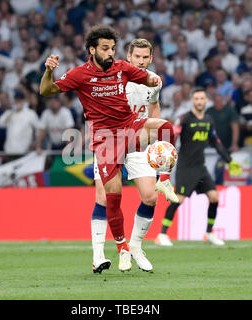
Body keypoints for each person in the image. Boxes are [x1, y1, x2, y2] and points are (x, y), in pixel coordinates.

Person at [39, 25, 175, 273]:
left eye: (113, 48)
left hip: (132, 132)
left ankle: (136, 244)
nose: (111, 53)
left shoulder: (123, 69)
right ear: (92, 50)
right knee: (108, 198)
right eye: (105, 48)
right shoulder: (80, 74)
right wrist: (48, 71)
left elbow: (149, 84)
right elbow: (46, 90)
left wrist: (153, 79)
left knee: (152, 188)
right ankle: (109, 251)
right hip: (105, 140)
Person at [91, 38, 178, 274]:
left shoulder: (153, 81)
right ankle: (98, 255)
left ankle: (136, 247)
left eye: (145, 57)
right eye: (136, 56)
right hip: (109, 140)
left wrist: (158, 144)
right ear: (128, 57)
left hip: (138, 142)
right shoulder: (113, 75)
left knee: (151, 197)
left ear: (151, 58)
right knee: (103, 196)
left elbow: (154, 109)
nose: (140, 61)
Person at [155, 87, 242, 247]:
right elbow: (173, 135)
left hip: (200, 168)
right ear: (192, 101)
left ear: (206, 100)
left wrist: (229, 160)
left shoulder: (209, 120)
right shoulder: (184, 119)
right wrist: (164, 149)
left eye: (202, 99)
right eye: (196, 99)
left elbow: (216, 142)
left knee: (214, 197)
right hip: (185, 168)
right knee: (178, 199)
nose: (199, 101)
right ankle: (162, 234)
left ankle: (209, 233)